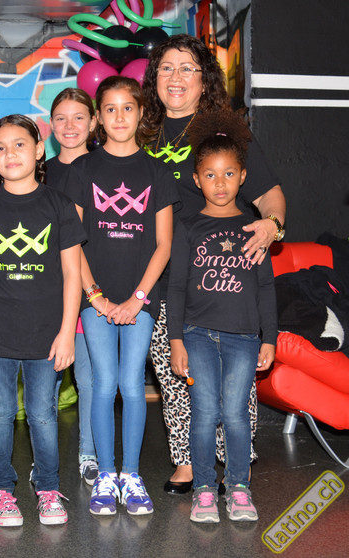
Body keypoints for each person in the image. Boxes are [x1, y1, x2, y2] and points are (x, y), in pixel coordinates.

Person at [141, 34, 286, 495]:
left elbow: (270, 195)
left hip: (222, 278)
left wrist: (271, 226)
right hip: (161, 276)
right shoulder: (138, 131)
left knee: (233, 380)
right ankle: (187, 462)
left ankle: (235, 461)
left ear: (204, 81)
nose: (176, 77)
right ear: (154, 79)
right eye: (166, 68)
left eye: (187, 68)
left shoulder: (225, 133)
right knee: (175, 374)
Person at [0, 114, 84, 527]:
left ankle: (48, 486)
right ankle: (0, 488)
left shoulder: (59, 206)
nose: (9, 154)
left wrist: (67, 333)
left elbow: (72, 275)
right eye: (0, 148)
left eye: (19, 145)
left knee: (42, 413)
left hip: (46, 335)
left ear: (38, 150)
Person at [67, 76, 177, 516]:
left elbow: (164, 245)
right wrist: (94, 295)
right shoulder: (82, 170)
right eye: (109, 109)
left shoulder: (157, 172)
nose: (119, 117)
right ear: (98, 117)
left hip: (141, 299)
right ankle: (106, 475)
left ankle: (131, 475)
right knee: (102, 383)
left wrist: (138, 298)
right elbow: (72, 241)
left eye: (127, 108)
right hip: (94, 298)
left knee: (132, 384)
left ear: (141, 114)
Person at [167, 109, 277, 522]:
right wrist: (176, 340)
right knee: (204, 413)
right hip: (196, 335)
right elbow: (176, 288)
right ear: (196, 180)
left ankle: (239, 488)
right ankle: (203, 490)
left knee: (234, 414)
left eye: (228, 174)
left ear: (243, 176)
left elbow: (265, 288)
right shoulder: (188, 227)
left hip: (244, 339)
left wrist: (269, 338)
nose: (219, 183)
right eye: (210, 175)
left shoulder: (254, 228)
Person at [45, 87, 99, 485]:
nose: (69, 126)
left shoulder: (106, 168)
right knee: (44, 381)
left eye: (79, 117)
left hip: (91, 289)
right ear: (50, 125)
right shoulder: (40, 171)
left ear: (93, 122)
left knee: (88, 379)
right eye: (61, 118)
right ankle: (44, 458)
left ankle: (89, 453)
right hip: (45, 290)